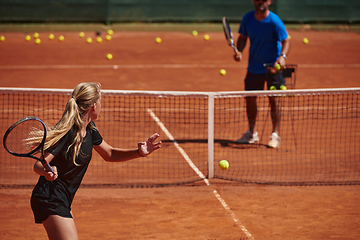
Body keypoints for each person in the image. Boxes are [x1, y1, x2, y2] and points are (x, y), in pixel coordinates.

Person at [30, 82, 162, 240]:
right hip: (50, 198)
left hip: (62, 197)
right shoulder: (69, 132)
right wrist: (46, 172)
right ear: (93, 106)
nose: (101, 106)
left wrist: (139, 153)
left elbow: (110, 154)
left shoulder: (90, 129)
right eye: (100, 102)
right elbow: (39, 164)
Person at [234, 0, 290, 148]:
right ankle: (252, 133)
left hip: (273, 68)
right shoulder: (248, 18)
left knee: (274, 100)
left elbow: (286, 42)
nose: (260, 2)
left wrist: (282, 58)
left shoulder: (274, 21)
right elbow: (243, 38)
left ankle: (275, 135)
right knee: (250, 99)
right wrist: (239, 51)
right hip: (254, 67)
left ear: (269, 1)